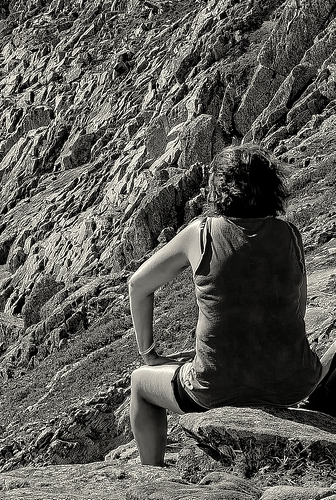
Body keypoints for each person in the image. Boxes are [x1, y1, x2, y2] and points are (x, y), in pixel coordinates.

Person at [126, 146, 321, 466]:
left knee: (140, 383)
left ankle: (152, 475)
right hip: (294, 383)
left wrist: (150, 353)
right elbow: (297, 311)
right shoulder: (288, 234)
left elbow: (138, 286)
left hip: (216, 387)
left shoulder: (199, 234)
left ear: (219, 189)